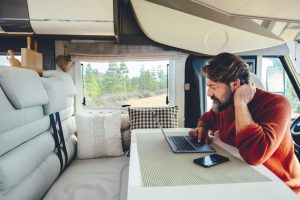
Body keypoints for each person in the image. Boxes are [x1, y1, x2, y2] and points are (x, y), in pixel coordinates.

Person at [188, 52, 300, 195]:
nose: (209, 93)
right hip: (245, 178)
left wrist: (240, 103)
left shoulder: (278, 104)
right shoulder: (224, 104)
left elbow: (254, 156)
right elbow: (208, 118)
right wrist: (202, 127)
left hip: (282, 188)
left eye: (213, 87)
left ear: (235, 84)